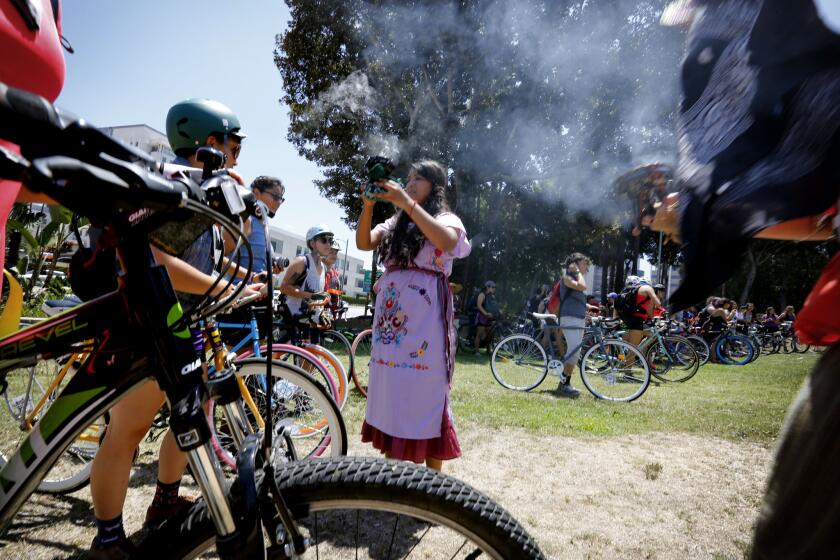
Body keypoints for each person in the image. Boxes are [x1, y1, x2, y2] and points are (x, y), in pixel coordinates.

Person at [88, 98, 263, 559]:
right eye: (235, 142)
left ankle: (164, 501)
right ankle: (107, 539)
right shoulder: (166, 185)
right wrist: (222, 288)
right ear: (211, 142)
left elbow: (211, 251)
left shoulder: (199, 189)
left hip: (185, 326)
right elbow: (158, 262)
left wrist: (237, 277)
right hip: (150, 326)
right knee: (128, 431)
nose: (239, 151)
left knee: (193, 418)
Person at [356, 159, 470, 471]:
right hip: (391, 322)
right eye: (408, 178)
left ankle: (433, 486)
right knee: (393, 392)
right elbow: (364, 242)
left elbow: (446, 241)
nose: (410, 183)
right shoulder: (397, 222)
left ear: (435, 185)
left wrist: (406, 204)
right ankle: (396, 479)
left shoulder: (446, 218)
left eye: (418, 178)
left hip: (425, 320)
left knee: (426, 394)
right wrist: (367, 206)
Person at [279, 224, 334, 343]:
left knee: (312, 359)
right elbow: (284, 287)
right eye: (324, 240)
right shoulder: (302, 262)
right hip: (295, 318)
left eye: (331, 240)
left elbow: (317, 293)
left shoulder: (324, 267)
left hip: (313, 320)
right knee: (278, 356)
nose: (328, 244)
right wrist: (310, 296)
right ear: (312, 243)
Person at [553, 253, 592, 397]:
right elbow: (582, 286)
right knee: (574, 351)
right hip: (569, 318)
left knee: (575, 352)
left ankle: (565, 382)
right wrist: (576, 271)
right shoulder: (568, 277)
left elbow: (576, 296)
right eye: (584, 263)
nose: (586, 266)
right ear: (575, 264)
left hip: (578, 318)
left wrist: (587, 307)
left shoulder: (574, 278)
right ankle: (564, 383)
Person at [615, 276, 660, 348]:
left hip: (626, 318)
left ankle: (640, 354)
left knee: (651, 334)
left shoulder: (632, 290)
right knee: (633, 350)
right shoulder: (647, 288)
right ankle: (631, 356)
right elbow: (657, 304)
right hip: (636, 321)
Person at [473, 280, 499, 355]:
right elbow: (479, 305)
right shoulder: (482, 294)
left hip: (489, 318)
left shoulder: (491, 296)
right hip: (482, 317)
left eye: (494, 287)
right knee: (479, 334)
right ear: (487, 287)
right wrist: (486, 313)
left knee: (489, 335)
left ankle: (488, 351)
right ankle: (477, 351)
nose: (494, 289)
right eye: (493, 287)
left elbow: (494, 306)